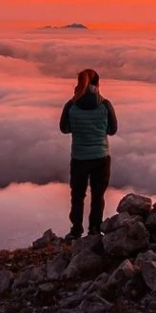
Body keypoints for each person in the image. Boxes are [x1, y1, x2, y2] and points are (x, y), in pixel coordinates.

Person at [59, 68, 118, 239]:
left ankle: (76, 230)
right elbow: (112, 130)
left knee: (77, 196)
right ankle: (94, 229)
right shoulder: (105, 105)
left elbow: (64, 129)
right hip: (101, 156)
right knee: (98, 195)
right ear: (97, 84)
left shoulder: (71, 105)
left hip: (79, 157)